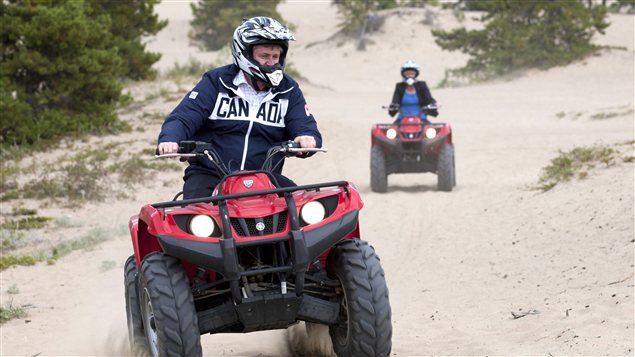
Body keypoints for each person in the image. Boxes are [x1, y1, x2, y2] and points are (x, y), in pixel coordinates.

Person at [157, 16, 322, 199]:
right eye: (264, 56)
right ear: (245, 53)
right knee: (191, 216)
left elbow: (304, 125)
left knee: (301, 209)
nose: (271, 62)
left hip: (264, 178)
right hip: (210, 175)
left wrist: (307, 138)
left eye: (275, 56)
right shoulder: (216, 82)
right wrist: (170, 139)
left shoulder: (288, 89)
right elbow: (184, 117)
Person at [388, 60, 438, 124]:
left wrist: (434, 104)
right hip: (402, 119)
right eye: (407, 74)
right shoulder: (399, 86)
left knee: (430, 131)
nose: (410, 76)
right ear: (403, 75)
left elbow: (429, 99)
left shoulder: (422, 85)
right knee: (393, 131)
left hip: (421, 119)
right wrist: (393, 106)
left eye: (412, 73)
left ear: (416, 74)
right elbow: (395, 101)